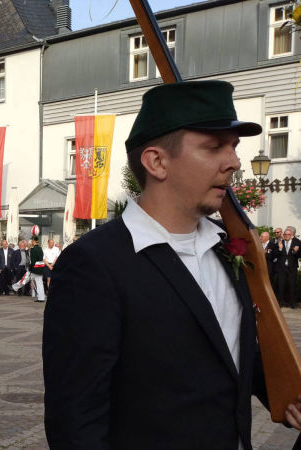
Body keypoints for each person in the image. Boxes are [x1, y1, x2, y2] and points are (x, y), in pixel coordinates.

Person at [43, 80, 301, 448]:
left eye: (233, 147)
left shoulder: (229, 249)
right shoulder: (93, 264)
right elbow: (76, 421)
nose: (234, 162)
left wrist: (289, 394)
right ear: (157, 162)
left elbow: (229, 352)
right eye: (214, 147)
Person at [275, 226, 301, 308]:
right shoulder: (280, 243)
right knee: (281, 285)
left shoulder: (296, 243)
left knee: (292, 285)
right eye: (285, 234)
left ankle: (292, 303)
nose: (286, 236)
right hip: (281, 268)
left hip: (292, 268)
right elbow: (274, 255)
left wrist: (295, 251)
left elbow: (299, 255)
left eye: (288, 234)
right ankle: (280, 302)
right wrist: (280, 249)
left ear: (291, 235)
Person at [28, 236, 45, 302]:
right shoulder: (40, 248)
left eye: (32, 240)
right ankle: (41, 297)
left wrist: (30, 268)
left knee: (37, 283)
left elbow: (33, 261)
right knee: (40, 283)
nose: (31, 241)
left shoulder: (33, 249)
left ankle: (40, 298)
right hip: (41, 267)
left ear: (33, 241)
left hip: (35, 268)